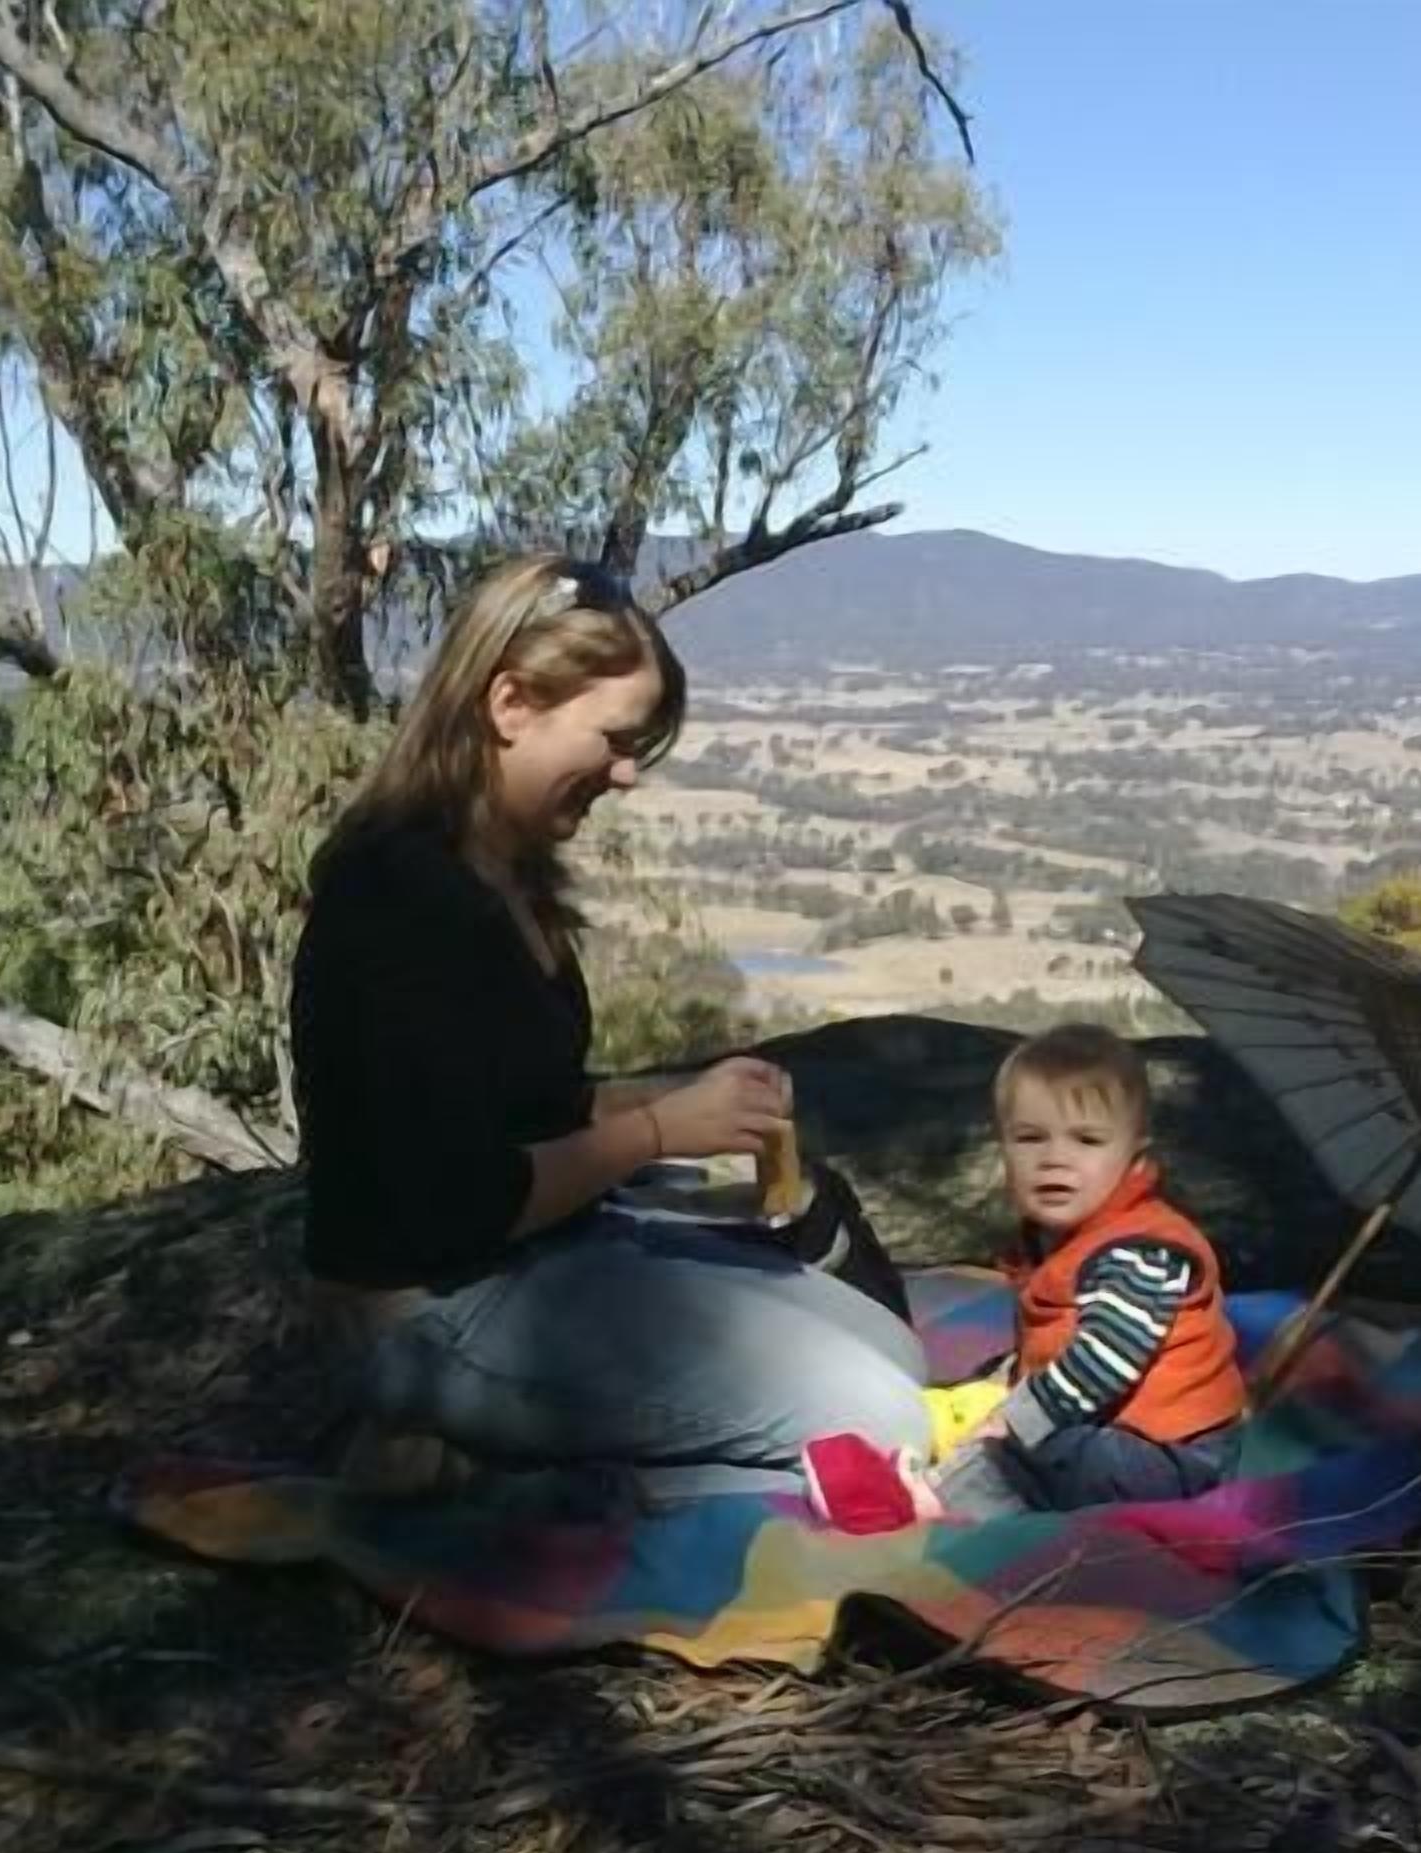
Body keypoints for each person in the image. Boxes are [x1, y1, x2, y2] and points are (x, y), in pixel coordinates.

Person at [287, 552, 931, 1500]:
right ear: (511, 705)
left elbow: (521, 1097)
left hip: (539, 1255)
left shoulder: (505, 871)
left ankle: (517, 1450)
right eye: (616, 739)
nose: (626, 774)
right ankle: (478, 1480)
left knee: (896, 1357)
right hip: (428, 1307)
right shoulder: (398, 902)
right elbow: (453, 1204)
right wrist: (658, 1133)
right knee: (882, 1424)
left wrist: (668, 1100)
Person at [937, 1023, 1248, 1512]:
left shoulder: (1140, 1249)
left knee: (1028, 1448)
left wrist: (1017, 1418)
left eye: (1086, 1140)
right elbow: (1053, 1336)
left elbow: (1107, 1358)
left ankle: (942, 1506)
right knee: (1002, 1412)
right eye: (1030, 1138)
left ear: (1134, 1156)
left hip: (1171, 1454)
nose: (1054, 1158)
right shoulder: (1059, 1240)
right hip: (1114, 1426)